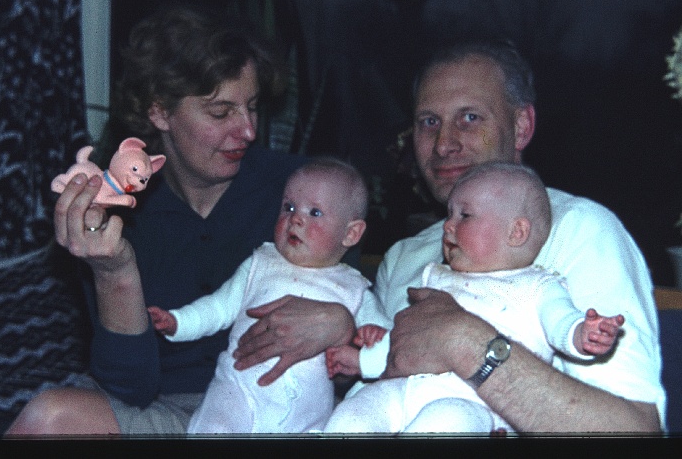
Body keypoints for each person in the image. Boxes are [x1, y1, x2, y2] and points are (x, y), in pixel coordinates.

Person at [232, 39, 665, 433]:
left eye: (470, 118)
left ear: (521, 127)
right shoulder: (405, 255)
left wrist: (464, 342)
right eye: (428, 122)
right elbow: (380, 371)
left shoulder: (581, 230)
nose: (443, 145)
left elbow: (636, 430)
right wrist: (342, 327)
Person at [6, 5, 312, 436]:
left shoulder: (300, 190)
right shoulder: (119, 208)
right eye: (221, 112)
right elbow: (128, 388)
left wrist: (340, 320)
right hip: (170, 413)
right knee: (49, 419)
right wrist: (116, 273)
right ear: (160, 113)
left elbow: (352, 319)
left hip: (276, 412)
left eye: (253, 107)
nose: (247, 131)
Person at [322, 162, 625, 433]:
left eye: (464, 215)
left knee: (444, 425)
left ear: (516, 233)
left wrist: (583, 333)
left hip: (472, 403)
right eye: (449, 213)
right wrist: (363, 361)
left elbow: (561, 323)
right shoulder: (437, 277)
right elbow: (409, 341)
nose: (448, 225)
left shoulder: (539, 287)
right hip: (405, 389)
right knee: (353, 416)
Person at [148, 157, 378, 433]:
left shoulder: (354, 288)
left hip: (306, 411)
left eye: (314, 212)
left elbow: (384, 340)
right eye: (288, 207)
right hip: (238, 389)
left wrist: (374, 336)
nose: (296, 219)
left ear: (351, 233)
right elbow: (220, 307)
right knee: (214, 427)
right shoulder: (260, 263)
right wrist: (178, 322)